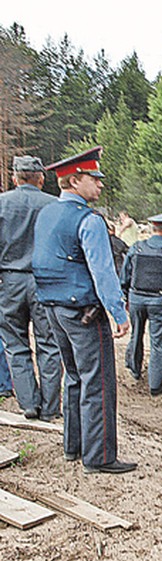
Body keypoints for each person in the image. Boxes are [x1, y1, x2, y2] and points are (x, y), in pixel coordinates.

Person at [32, 146, 135, 474]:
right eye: (95, 178)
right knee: (99, 382)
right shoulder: (88, 220)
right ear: (75, 181)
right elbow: (103, 271)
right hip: (83, 311)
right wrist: (118, 313)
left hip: (53, 306)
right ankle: (100, 457)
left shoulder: (47, 213)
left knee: (74, 376)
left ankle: (72, 446)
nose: (100, 185)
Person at [0, 155, 62, 420]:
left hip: (10, 280)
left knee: (15, 343)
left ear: (15, 178)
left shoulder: (2, 204)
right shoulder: (54, 205)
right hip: (44, 281)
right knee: (49, 343)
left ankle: (28, 403)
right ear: (41, 178)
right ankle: (50, 408)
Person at [120, 212, 162, 397]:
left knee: (136, 334)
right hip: (160, 300)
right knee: (158, 343)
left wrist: (125, 297)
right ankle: (155, 385)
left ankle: (135, 369)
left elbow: (126, 275)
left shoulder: (136, 248)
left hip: (137, 298)